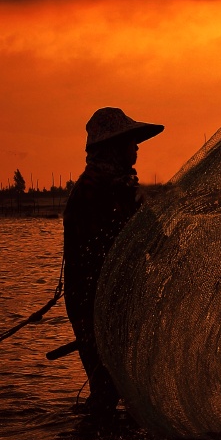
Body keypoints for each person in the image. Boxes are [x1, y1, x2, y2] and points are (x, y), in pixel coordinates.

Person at [63, 107, 163, 421]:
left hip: (109, 301)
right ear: (112, 147)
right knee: (109, 389)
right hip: (97, 303)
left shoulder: (112, 187)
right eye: (129, 141)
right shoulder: (101, 191)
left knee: (116, 387)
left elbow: (155, 240)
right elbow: (148, 243)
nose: (136, 147)